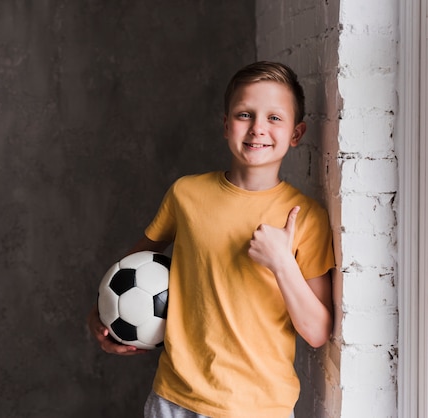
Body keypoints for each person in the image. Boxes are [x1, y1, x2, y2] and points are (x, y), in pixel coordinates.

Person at [87, 61, 335, 418]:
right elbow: (126, 273)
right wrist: (100, 316)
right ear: (225, 125)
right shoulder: (186, 194)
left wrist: (282, 262)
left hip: (259, 408)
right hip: (174, 399)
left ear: (297, 134)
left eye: (274, 118)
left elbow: (317, 332)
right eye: (244, 114)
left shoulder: (306, 217)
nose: (258, 128)